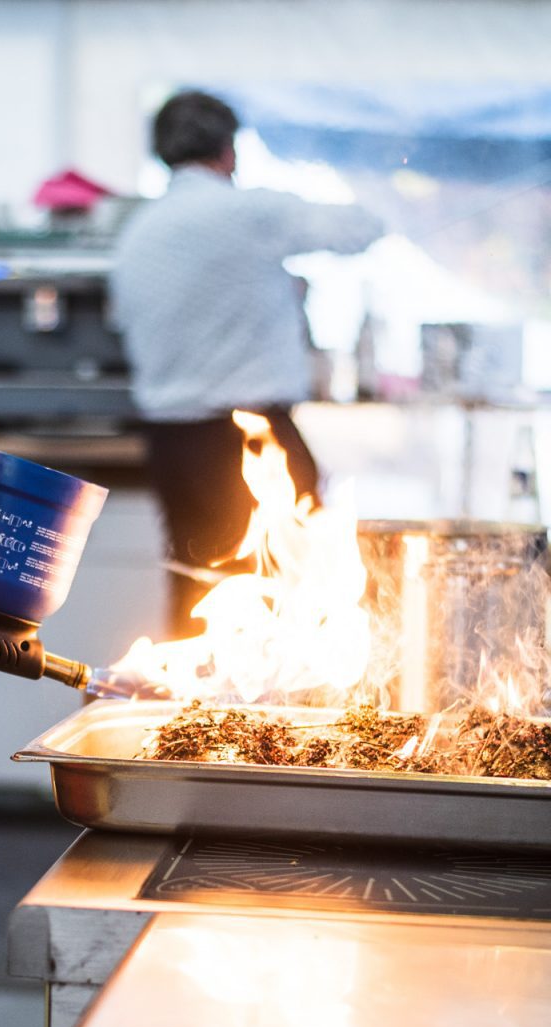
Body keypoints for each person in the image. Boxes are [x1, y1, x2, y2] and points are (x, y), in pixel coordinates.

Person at [110, 90, 383, 634]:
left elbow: (124, 323)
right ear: (228, 150)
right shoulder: (249, 211)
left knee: (196, 593)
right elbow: (362, 228)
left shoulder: (138, 233)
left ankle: (187, 719)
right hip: (247, 436)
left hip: (168, 443)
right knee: (283, 602)